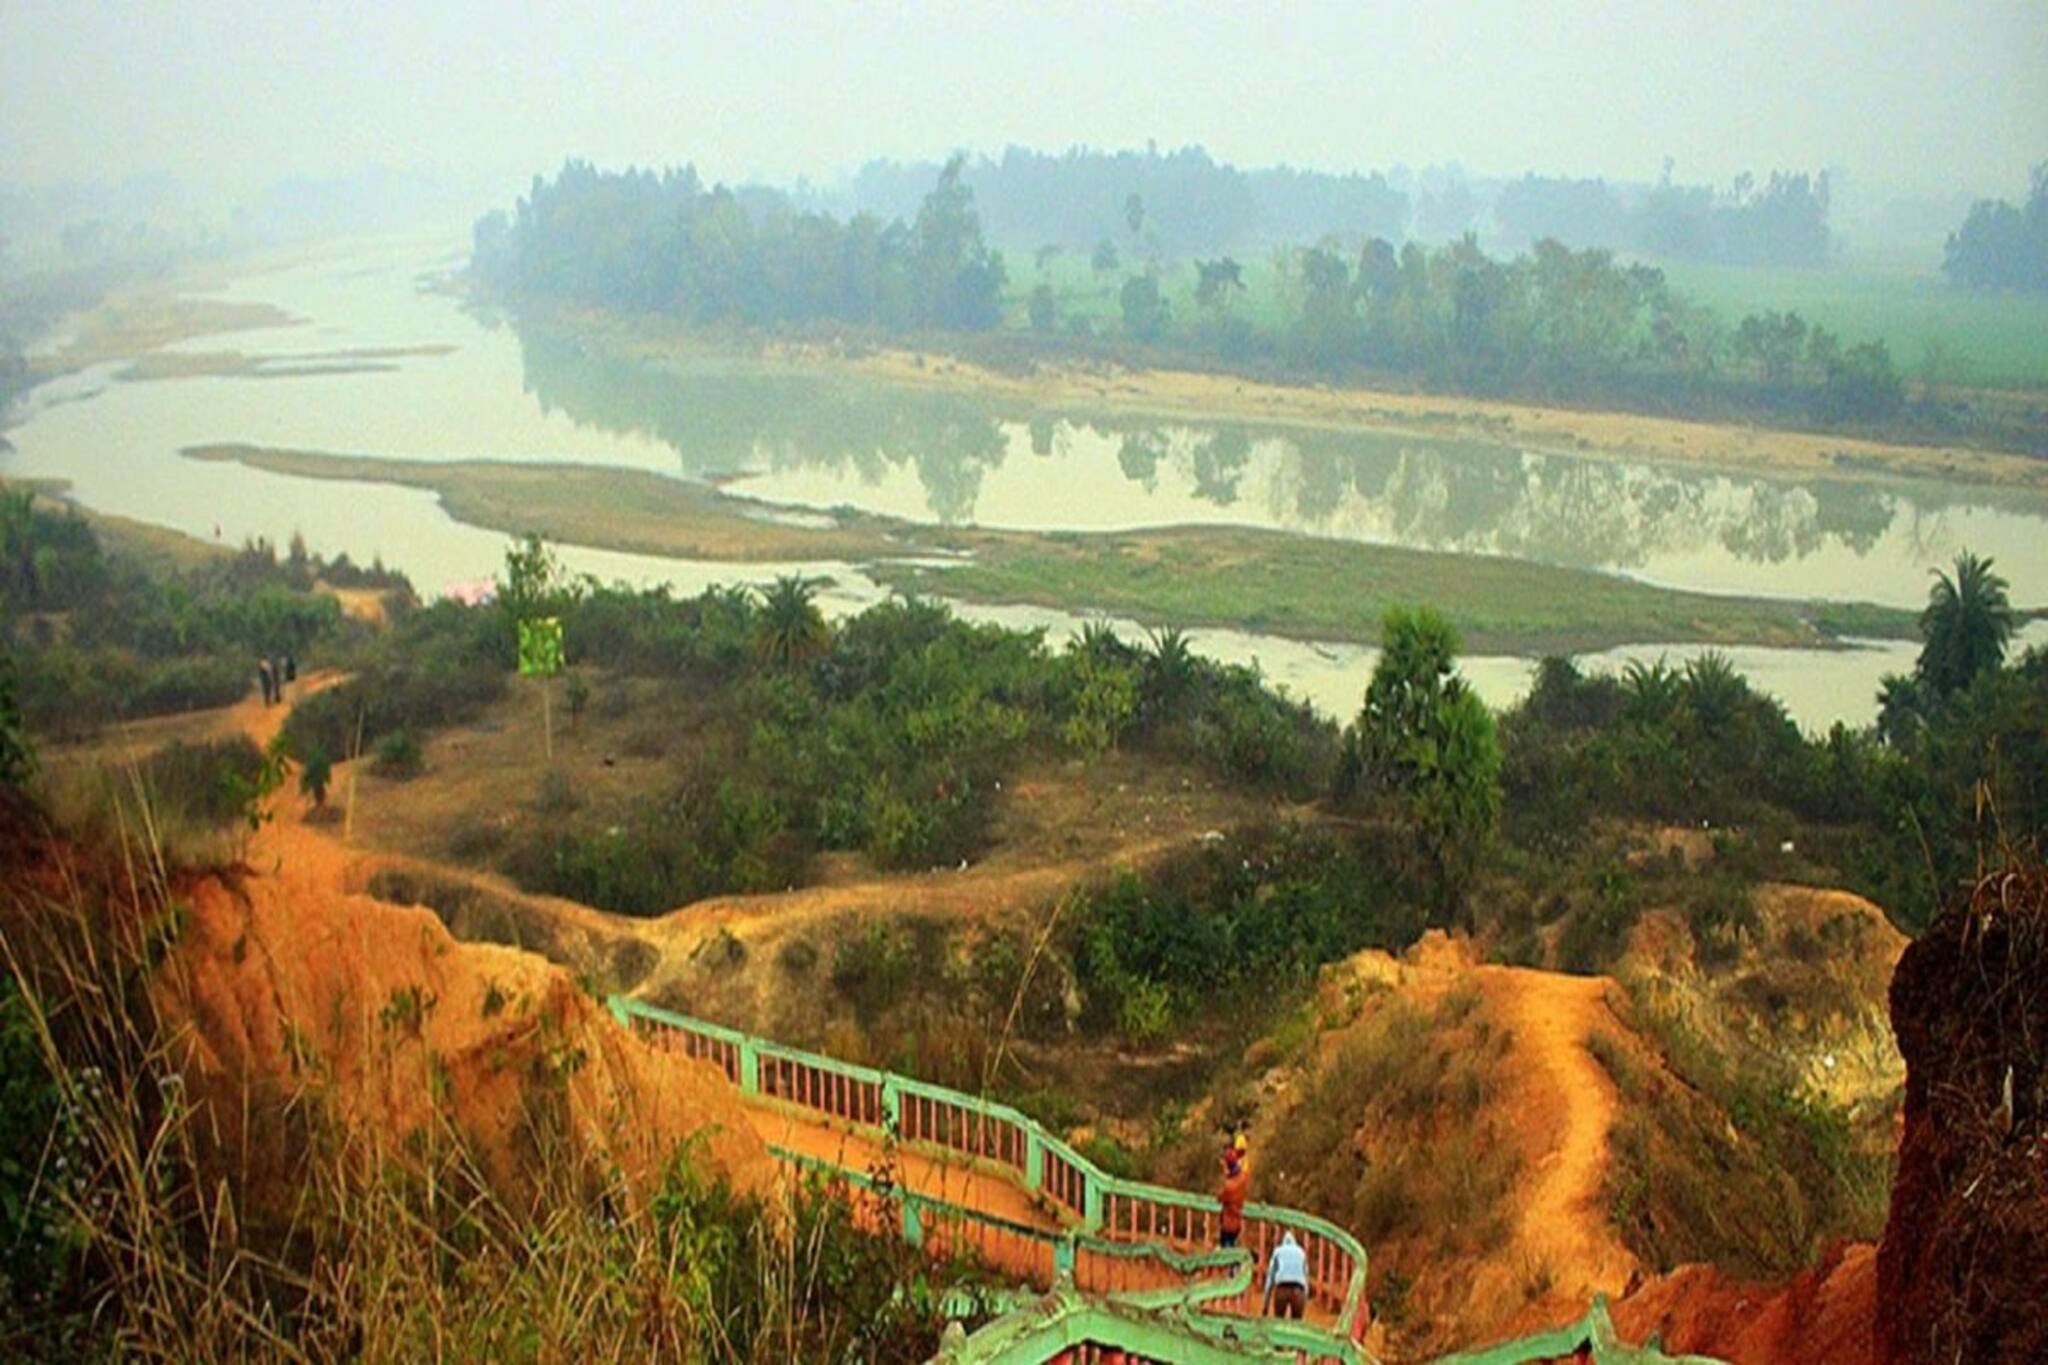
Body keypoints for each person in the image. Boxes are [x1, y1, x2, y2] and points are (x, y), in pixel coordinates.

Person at [1263, 1230, 1309, 1319]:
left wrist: (1266, 1304)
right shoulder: (1301, 1252)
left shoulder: (1278, 1251)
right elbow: (1306, 1275)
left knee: (1279, 1321)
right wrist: (1305, 1297)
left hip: (1282, 1288)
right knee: (1296, 1324)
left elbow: (1270, 1276)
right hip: (1298, 1289)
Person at [1217, 1148, 1249, 1248]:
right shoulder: (1243, 1178)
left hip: (1227, 1223)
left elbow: (1220, 1198)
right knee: (1234, 1246)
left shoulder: (1229, 1186)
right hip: (1237, 1220)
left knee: (1227, 1248)